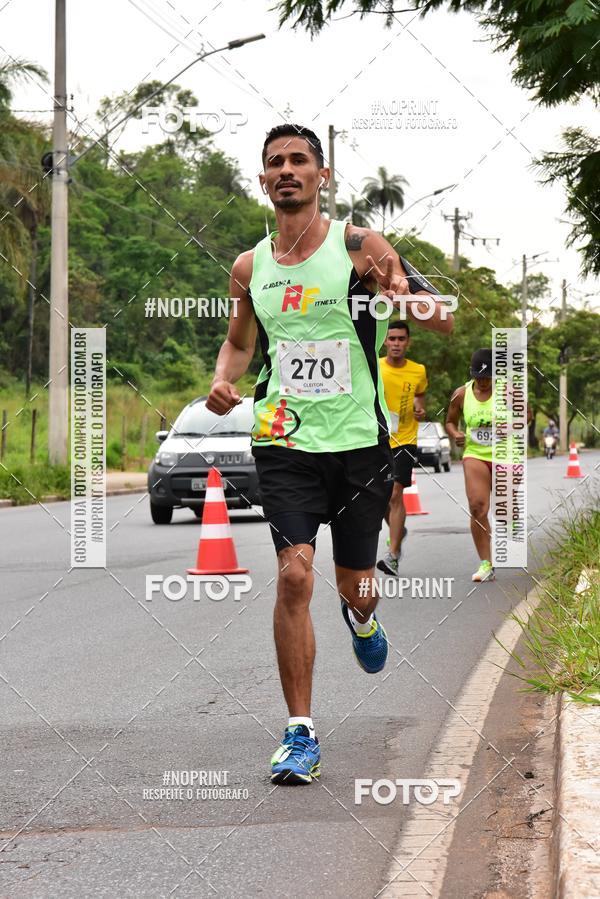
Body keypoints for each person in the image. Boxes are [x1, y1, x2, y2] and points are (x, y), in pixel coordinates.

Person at [207, 123, 453, 785]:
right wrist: (224, 378)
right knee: (293, 574)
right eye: (274, 163)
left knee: (358, 589)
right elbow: (239, 341)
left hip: (359, 445)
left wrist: (405, 291)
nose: (286, 170)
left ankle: (363, 620)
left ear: (322, 177)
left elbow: (444, 316)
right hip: (283, 438)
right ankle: (300, 732)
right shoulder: (248, 267)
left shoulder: (358, 246)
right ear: (262, 180)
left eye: (299, 161)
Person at [377, 321, 427, 576]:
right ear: (385, 341)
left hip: (405, 440)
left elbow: (420, 395)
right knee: (380, 496)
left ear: (408, 342)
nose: (396, 344)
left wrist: (419, 407)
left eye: (401, 339)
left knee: (396, 493)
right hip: (377, 439)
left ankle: (393, 555)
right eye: (392, 339)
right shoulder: (375, 366)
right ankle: (399, 529)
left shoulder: (418, 370)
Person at [445, 348, 497, 582]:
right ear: (472, 374)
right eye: (479, 377)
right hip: (475, 454)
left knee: (508, 511)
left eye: (488, 377)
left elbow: (526, 415)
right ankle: (486, 563)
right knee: (477, 507)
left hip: (504, 455)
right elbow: (450, 422)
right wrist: (455, 433)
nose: (483, 382)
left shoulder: (507, 392)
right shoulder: (461, 394)